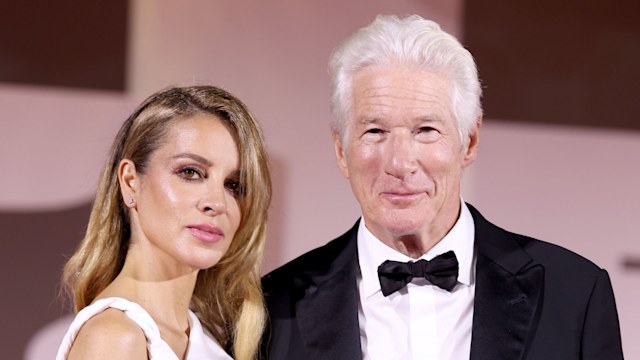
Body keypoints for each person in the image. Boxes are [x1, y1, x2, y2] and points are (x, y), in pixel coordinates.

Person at [261, 14, 623, 360]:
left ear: (470, 140)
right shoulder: (271, 308)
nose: (400, 163)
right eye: (375, 131)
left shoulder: (574, 294)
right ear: (341, 150)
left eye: (426, 131)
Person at [56, 86, 271, 360]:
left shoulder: (200, 337)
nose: (217, 203)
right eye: (190, 172)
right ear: (131, 183)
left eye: (234, 185)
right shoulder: (115, 338)